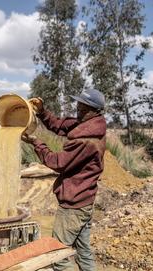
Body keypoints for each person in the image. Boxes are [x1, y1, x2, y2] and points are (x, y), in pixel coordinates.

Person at [22, 88, 107, 271]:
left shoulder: (87, 139)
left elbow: (58, 162)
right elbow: (60, 125)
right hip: (85, 201)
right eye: (78, 109)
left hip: (73, 206)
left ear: (97, 112)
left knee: (57, 256)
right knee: (83, 252)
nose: (79, 114)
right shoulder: (90, 124)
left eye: (84, 111)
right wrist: (42, 112)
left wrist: (37, 144)